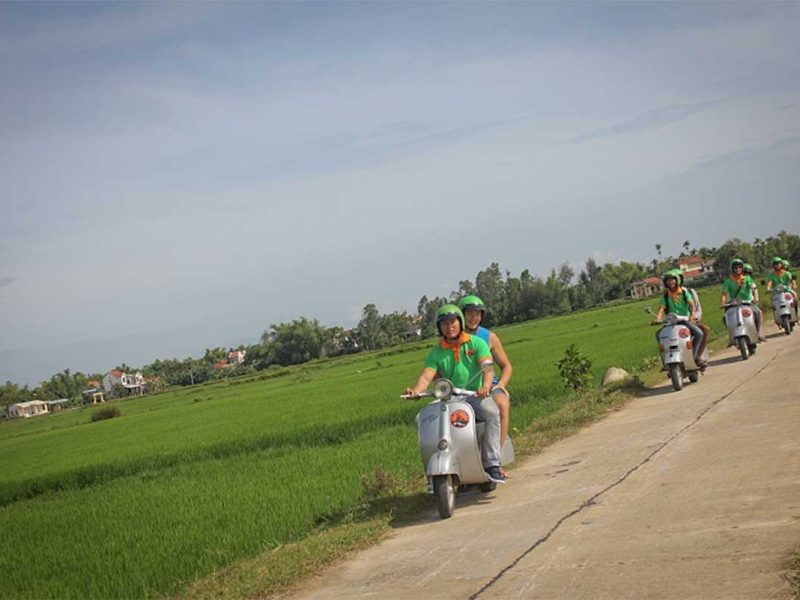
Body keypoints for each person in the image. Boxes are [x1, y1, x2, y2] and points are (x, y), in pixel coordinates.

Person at [404, 304, 506, 484]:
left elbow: (488, 368)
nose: (449, 326)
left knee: (492, 413)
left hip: (474, 395)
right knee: (421, 418)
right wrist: (416, 391)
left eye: (452, 322)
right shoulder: (436, 352)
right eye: (444, 323)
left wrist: (486, 386)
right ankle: (433, 469)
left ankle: (492, 463)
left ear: (460, 322)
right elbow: (427, 375)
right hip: (448, 398)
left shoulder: (477, 343)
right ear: (439, 327)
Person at [458, 295, 513, 476]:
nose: (474, 318)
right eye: (469, 314)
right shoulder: (452, 338)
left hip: (489, 386)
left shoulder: (488, 337)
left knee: (501, 404)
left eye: (477, 314)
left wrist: (500, 385)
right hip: (463, 389)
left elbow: (505, 366)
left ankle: (495, 461)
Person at [652, 270, 706, 366]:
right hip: (671, 323)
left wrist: (692, 314)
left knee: (699, 333)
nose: (671, 282)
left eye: (672, 280)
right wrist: (658, 319)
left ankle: (696, 356)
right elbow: (661, 308)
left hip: (685, 321)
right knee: (659, 335)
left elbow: (692, 304)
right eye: (668, 281)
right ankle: (665, 361)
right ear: (665, 283)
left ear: (677, 280)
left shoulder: (684, 292)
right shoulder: (665, 296)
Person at [670, 268, 709, 369]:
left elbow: (697, 308)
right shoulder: (667, 295)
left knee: (704, 330)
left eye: (674, 279)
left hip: (689, 321)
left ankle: (698, 356)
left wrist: (694, 317)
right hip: (674, 324)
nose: (672, 282)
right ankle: (667, 361)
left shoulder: (690, 292)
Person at [720, 258, 765, 341]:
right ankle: (731, 337)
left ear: (742, 268)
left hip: (748, 303)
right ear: (733, 269)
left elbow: (754, 289)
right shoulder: (728, 281)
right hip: (734, 304)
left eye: (740, 267)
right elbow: (724, 294)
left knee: (757, 312)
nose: (738, 269)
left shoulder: (747, 279)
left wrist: (755, 299)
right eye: (736, 268)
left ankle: (758, 333)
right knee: (725, 318)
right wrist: (723, 303)